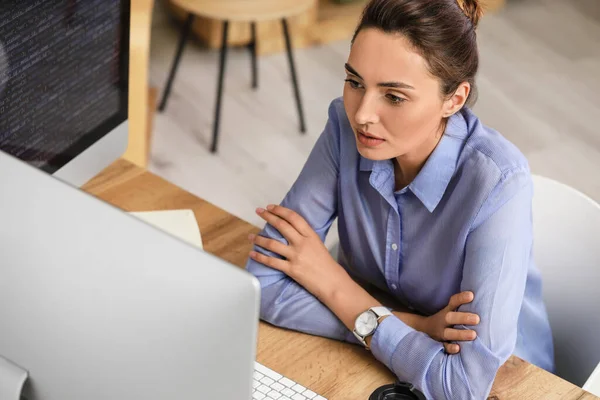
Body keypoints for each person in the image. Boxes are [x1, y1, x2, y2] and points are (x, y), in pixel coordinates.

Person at [244, 0, 555, 398]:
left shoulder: (497, 183)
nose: (362, 115)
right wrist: (415, 325)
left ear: (454, 100)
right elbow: (263, 283)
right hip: (390, 362)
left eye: (393, 96)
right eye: (355, 82)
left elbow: (461, 385)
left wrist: (337, 288)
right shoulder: (344, 128)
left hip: (514, 384)